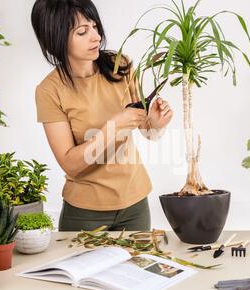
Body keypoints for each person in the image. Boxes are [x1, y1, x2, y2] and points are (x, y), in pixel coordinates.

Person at [31, 0, 173, 232]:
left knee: (136, 268)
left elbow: (147, 130)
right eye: (82, 32)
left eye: (95, 27)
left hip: (135, 205)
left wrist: (156, 125)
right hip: (84, 214)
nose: (96, 37)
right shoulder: (49, 90)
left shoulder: (121, 65)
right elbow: (70, 164)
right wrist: (112, 128)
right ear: (55, 37)